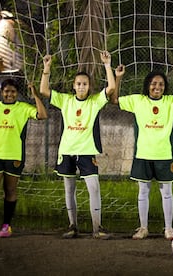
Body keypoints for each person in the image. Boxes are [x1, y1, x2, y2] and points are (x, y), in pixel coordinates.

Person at [112, 64, 173, 240]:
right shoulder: (138, 100)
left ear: (165, 87)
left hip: (165, 155)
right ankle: (143, 228)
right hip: (143, 154)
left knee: (166, 192)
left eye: (161, 84)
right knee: (143, 191)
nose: (157, 87)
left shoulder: (171, 102)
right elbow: (114, 100)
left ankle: (168, 229)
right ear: (147, 85)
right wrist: (118, 77)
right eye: (153, 83)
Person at [40, 51, 116, 239]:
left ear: (89, 87)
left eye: (85, 84)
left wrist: (107, 65)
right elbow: (44, 91)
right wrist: (47, 68)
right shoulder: (65, 100)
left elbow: (112, 88)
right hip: (66, 151)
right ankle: (72, 225)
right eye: (79, 84)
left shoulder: (94, 102)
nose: (82, 86)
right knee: (69, 189)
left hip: (87, 152)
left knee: (94, 188)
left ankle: (97, 228)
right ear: (74, 86)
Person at [0, 80, 48, 238]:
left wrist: (35, 96)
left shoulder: (23, 108)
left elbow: (42, 115)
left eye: (13, 91)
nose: (9, 94)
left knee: (10, 190)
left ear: (17, 93)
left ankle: (6, 225)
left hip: (15, 156)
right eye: (6, 91)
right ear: (1, 92)